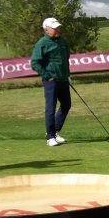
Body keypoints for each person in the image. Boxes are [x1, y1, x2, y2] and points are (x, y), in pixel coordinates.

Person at [30, 17, 72, 146]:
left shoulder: (63, 41)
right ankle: (50, 137)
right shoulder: (42, 43)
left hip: (63, 79)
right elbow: (35, 62)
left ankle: (55, 131)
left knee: (66, 104)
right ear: (46, 29)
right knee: (50, 108)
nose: (58, 30)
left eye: (58, 27)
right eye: (55, 28)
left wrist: (66, 74)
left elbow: (66, 58)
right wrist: (46, 75)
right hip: (51, 81)